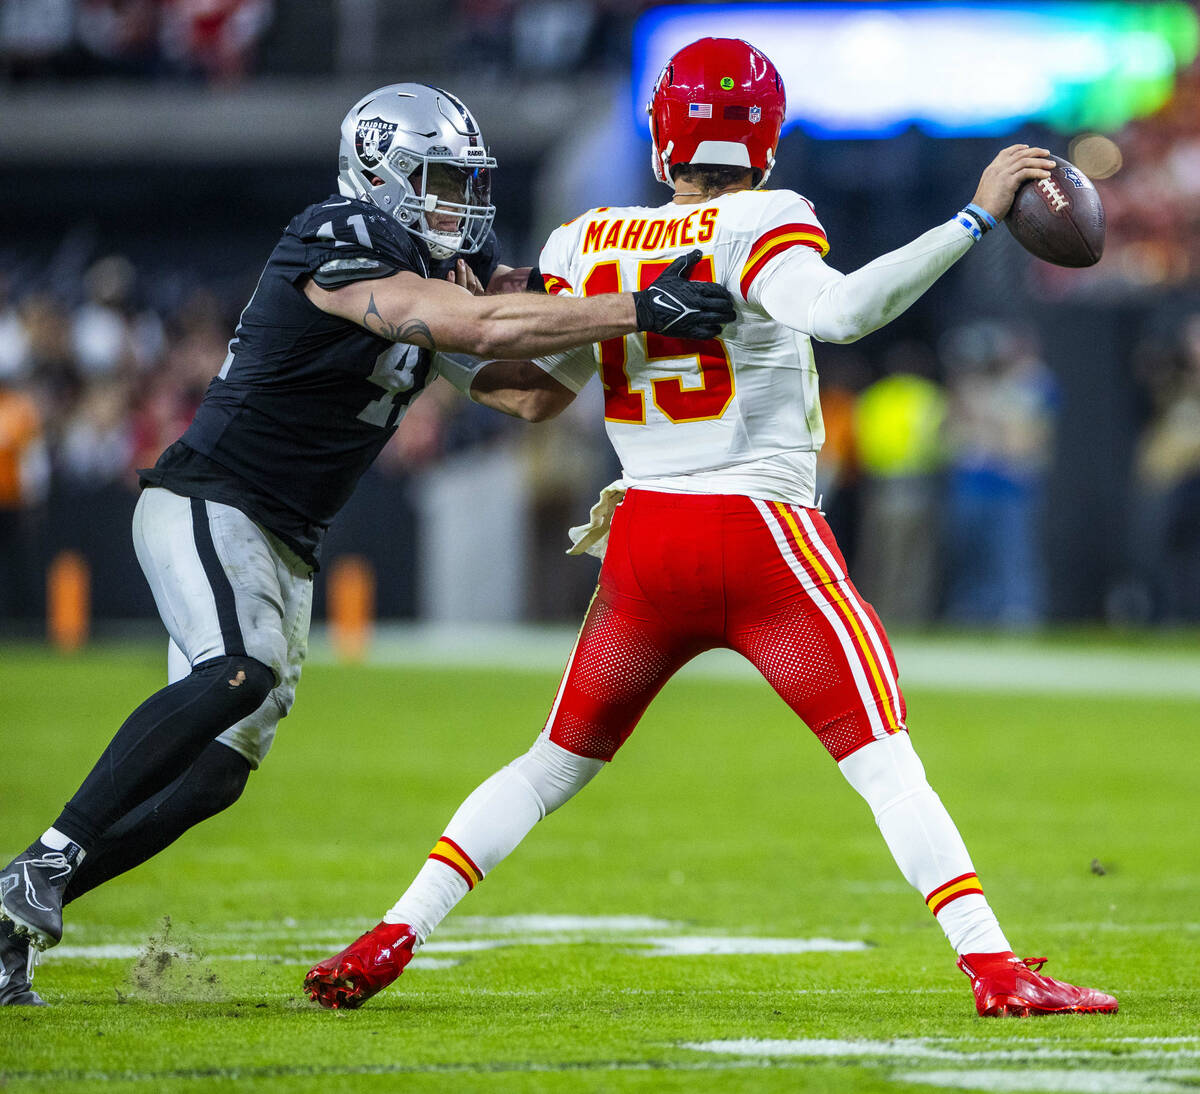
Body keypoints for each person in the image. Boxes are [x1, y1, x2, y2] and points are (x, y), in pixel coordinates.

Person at [304, 40, 1118, 1019]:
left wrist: (423, 336)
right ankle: (994, 967)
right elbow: (847, 312)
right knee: (885, 760)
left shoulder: (585, 240)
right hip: (760, 534)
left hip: (647, 542)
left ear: (661, 140)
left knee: (550, 764)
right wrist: (975, 216)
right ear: (766, 143)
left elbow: (525, 394)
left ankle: (393, 931)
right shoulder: (766, 217)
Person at [0, 81, 735, 1006]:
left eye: (468, 183)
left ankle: (18, 905)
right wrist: (634, 306)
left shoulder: (445, 265)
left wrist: (616, 335)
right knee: (239, 667)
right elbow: (471, 324)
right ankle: (48, 858)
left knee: (217, 776)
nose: (460, 205)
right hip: (209, 498)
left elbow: (524, 392)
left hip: (288, 540)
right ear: (379, 171)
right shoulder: (337, 237)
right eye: (438, 180)